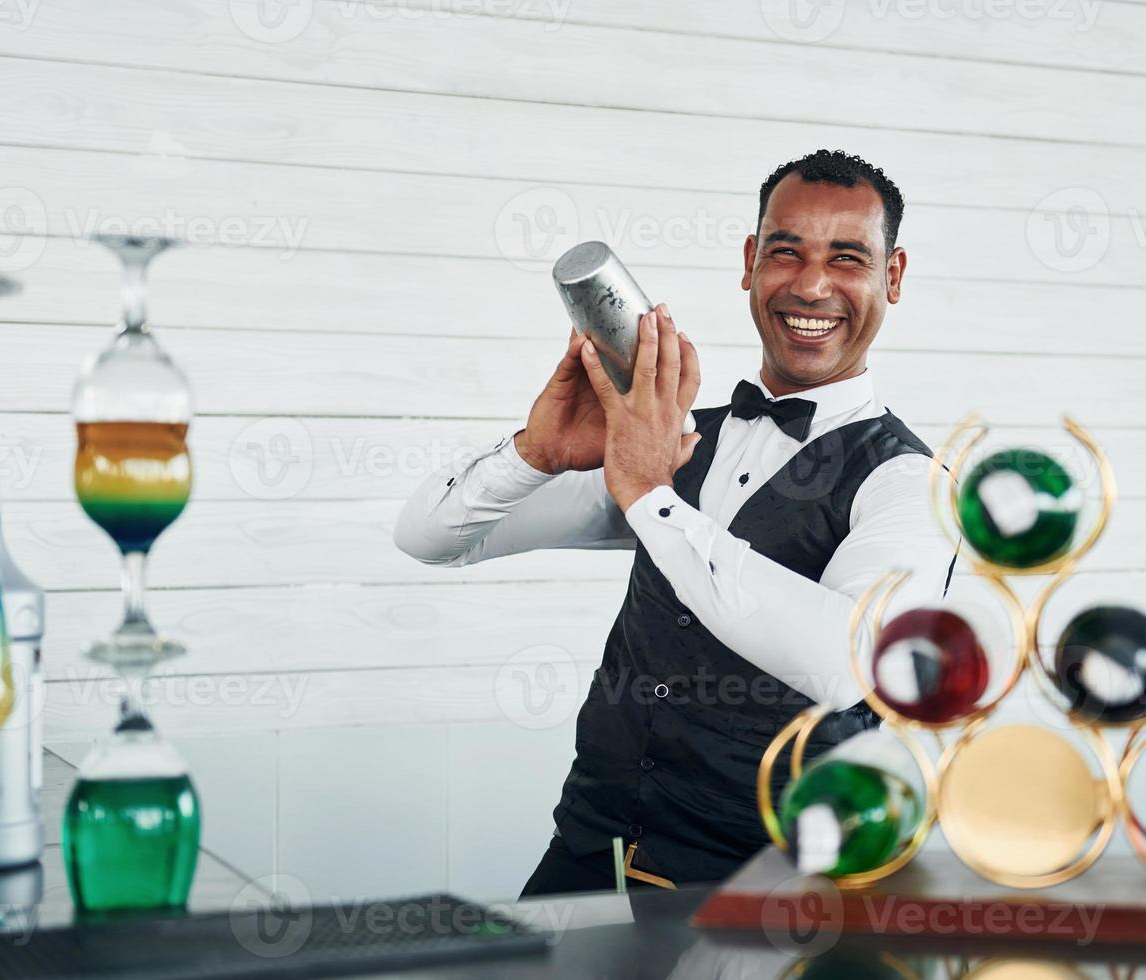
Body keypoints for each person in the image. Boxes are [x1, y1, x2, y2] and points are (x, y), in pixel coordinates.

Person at [394, 149, 957, 896]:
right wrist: (537, 454)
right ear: (752, 263)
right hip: (590, 856)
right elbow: (428, 537)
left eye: (847, 257)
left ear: (892, 276)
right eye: (785, 251)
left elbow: (841, 664)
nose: (812, 284)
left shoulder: (909, 483)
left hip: (766, 900)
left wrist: (649, 496)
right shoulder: (671, 443)